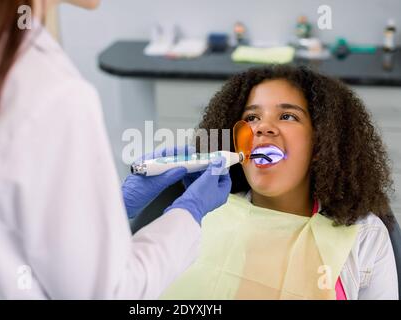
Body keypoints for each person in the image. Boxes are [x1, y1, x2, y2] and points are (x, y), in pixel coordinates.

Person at [0, 0, 231, 299]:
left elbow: (5, 225)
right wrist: (189, 214)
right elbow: (106, 294)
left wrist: (115, 207)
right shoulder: (52, 93)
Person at [161, 65, 398, 300]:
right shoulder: (201, 215)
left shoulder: (364, 235)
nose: (263, 127)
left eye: (287, 116)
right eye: (252, 117)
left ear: (320, 142)